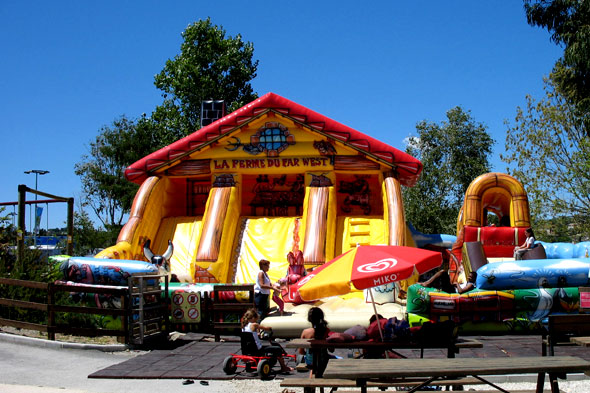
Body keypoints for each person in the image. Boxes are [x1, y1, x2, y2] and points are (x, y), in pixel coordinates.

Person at [241, 308, 293, 373]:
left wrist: (257, 334)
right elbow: (266, 328)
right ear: (253, 318)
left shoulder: (244, 326)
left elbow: (251, 335)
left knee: (267, 347)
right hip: (258, 349)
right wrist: (270, 328)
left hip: (247, 349)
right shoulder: (254, 325)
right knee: (278, 349)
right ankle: (283, 367)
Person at [299, 307, 330, 377]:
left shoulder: (305, 332)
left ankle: (312, 383)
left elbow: (301, 351)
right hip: (323, 360)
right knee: (339, 360)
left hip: (310, 361)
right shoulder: (326, 331)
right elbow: (331, 350)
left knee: (313, 367)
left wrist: (308, 354)